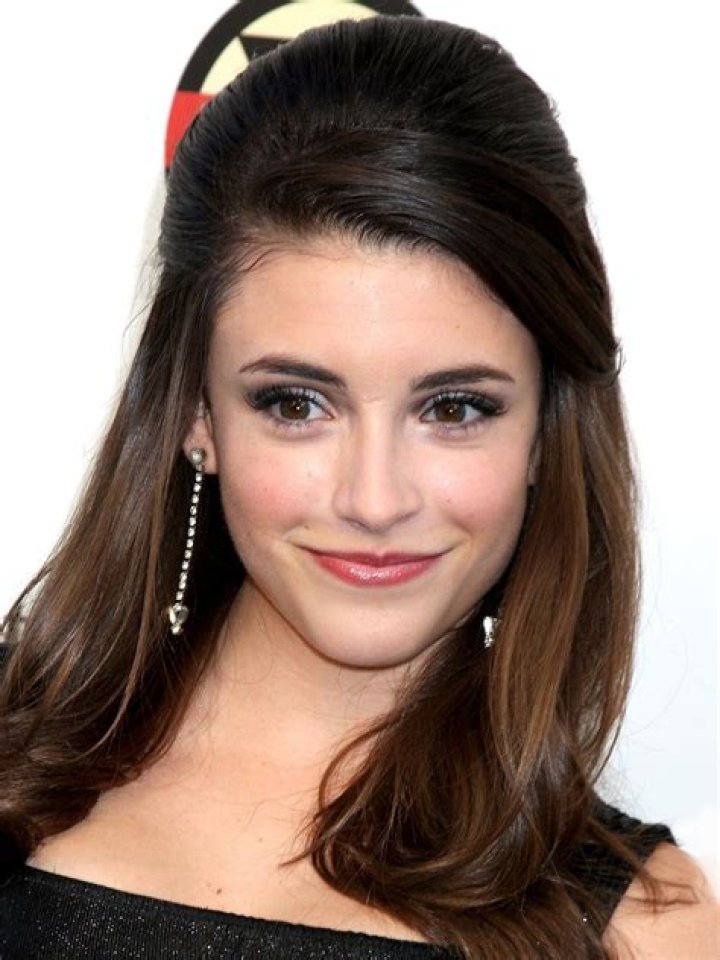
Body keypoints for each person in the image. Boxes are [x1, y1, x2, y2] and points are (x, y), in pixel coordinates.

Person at [0, 14, 716, 960]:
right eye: (297, 404)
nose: (375, 501)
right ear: (196, 413)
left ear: (547, 430)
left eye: (454, 408)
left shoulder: (641, 931)